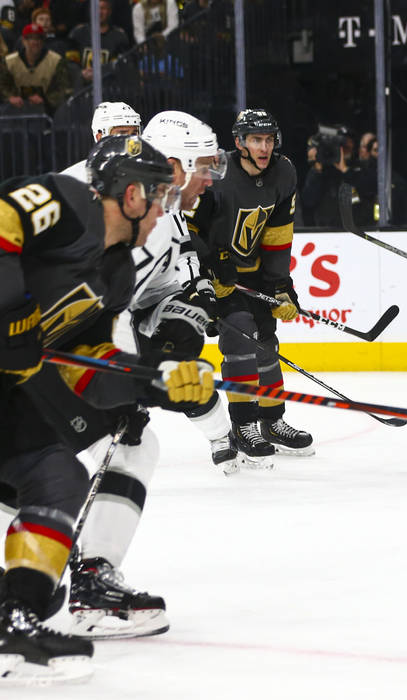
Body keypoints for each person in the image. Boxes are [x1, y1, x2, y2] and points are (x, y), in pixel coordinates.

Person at [0, 134, 209, 683]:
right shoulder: (71, 204)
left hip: (8, 387)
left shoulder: (114, 270)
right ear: (132, 194)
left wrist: (157, 384)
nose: (165, 205)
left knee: (57, 475)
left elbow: (84, 366)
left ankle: (14, 619)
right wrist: (14, 315)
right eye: (159, 194)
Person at [58, 113, 231, 641]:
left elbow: (143, 299)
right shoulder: (86, 194)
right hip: (35, 350)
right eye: (203, 167)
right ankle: (84, 586)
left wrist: (181, 314)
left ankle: (90, 582)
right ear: (173, 166)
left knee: (127, 439)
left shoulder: (166, 218)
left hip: (64, 352)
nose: (210, 180)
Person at [186, 108, 313, 457]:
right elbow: (189, 227)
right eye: (256, 139)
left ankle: (271, 421)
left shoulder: (283, 172)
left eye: (269, 139)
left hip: (252, 271)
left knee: (265, 341)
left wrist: (280, 285)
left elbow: (277, 235)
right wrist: (210, 266)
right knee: (240, 335)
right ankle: (243, 425)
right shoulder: (215, 170)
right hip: (215, 273)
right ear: (240, 142)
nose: (264, 147)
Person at [0, 22, 70, 113]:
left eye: (39, 38)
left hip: (48, 112)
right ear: (23, 41)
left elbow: (63, 88)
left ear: (43, 41)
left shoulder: (56, 61)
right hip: (15, 111)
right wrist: (10, 97)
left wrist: (46, 100)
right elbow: (2, 85)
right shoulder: (9, 62)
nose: (35, 42)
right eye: (30, 38)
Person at [60, 101, 141, 180]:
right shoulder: (75, 177)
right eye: (122, 133)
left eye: (134, 133)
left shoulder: (146, 170)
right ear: (100, 137)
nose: (130, 139)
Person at [68, 0, 130, 83]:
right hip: (81, 88)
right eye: (96, 8)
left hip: (109, 88)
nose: (99, 12)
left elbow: (120, 65)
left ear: (109, 11)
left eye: (103, 8)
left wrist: (101, 73)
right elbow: (70, 61)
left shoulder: (119, 37)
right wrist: (81, 73)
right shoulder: (78, 33)